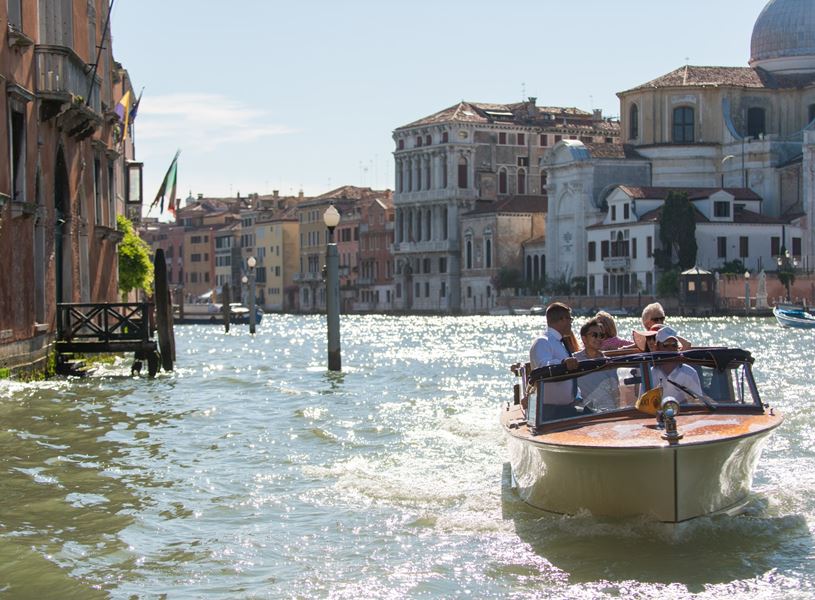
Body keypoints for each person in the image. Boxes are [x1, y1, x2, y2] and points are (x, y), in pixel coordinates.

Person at [529, 302, 580, 419]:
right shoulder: (543, 341)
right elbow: (543, 366)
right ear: (563, 319)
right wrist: (563, 363)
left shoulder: (560, 342)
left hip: (568, 407)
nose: (571, 323)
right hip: (551, 411)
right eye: (570, 319)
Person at [574, 318, 620, 410]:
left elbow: (616, 393)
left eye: (601, 335)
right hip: (586, 412)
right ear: (584, 339)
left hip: (608, 410)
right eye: (594, 335)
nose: (599, 338)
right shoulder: (575, 361)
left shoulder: (609, 363)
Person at [650, 326, 703, 403]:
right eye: (666, 344)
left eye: (674, 345)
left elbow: (698, 402)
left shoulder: (690, 373)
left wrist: (685, 401)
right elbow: (643, 404)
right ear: (657, 347)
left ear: (677, 347)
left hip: (685, 414)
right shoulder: (649, 374)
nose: (670, 348)